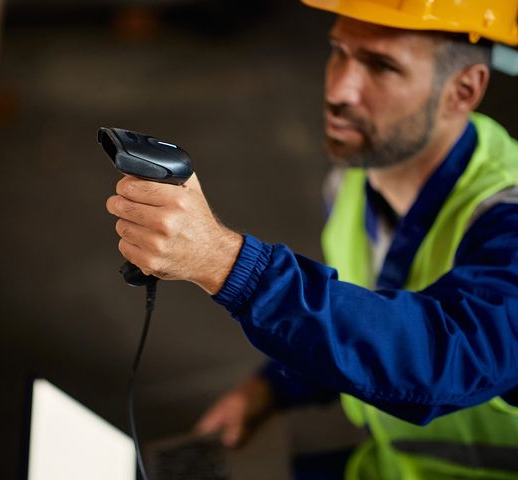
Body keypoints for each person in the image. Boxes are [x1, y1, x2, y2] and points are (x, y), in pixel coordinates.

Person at [105, 0, 518, 478]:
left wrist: (227, 264)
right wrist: (273, 389)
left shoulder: (506, 216)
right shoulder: (359, 176)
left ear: (462, 91)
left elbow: (443, 357)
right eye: (339, 51)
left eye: (381, 66)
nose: (339, 89)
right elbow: (367, 315)